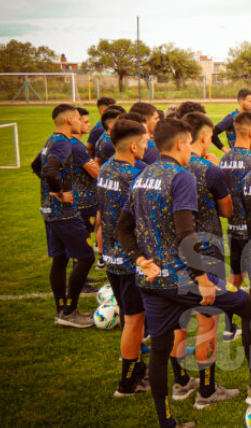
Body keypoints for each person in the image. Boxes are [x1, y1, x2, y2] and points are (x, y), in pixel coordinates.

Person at [117, 119, 251, 428]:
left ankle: (167, 421)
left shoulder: (142, 176)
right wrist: (203, 281)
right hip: (184, 278)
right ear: (180, 144)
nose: (192, 148)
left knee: (161, 346)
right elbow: (185, 235)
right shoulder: (181, 177)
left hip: (151, 280)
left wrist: (141, 260)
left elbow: (123, 229)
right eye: (190, 143)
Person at [181, 111, 240, 409]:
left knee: (178, 320)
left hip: (172, 255)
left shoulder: (160, 167)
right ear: (205, 137)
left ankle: (180, 384)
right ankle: (206, 391)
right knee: (207, 323)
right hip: (206, 252)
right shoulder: (209, 169)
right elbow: (227, 212)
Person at [95, 118, 150, 397]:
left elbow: (103, 215)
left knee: (133, 319)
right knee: (133, 321)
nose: (147, 145)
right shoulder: (133, 177)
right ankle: (127, 383)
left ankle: (137, 369)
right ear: (132, 146)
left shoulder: (105, 168)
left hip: (113, 257)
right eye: (144, 142)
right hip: (130, 260)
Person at [31, 104, 96, 328]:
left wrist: (49, 194)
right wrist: (58, 193)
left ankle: (62, 310)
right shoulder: (63, 144)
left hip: (49, 211)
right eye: (78, 119)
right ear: (69, 121)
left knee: (60, 259)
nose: (80, 122)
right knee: (86, 257)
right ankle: (69, 311)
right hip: (63, 212)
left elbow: (35, 165)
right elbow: (49, 170)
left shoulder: (51, 140)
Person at [219, 112, 251, 341]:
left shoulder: (223, 159)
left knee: (235, 278)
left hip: (233, 228)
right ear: (250, 132)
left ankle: (229, 327)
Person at [70, 107, 101, 285]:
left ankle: (81, 278)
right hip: (83, 201)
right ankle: (79, 282)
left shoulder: (74, 145)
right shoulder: (76, 146)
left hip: (82, 198)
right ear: (75, 121)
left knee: (83, 242)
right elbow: (96, 172)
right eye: (86, 121)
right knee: (83, 245)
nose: (89, 125)